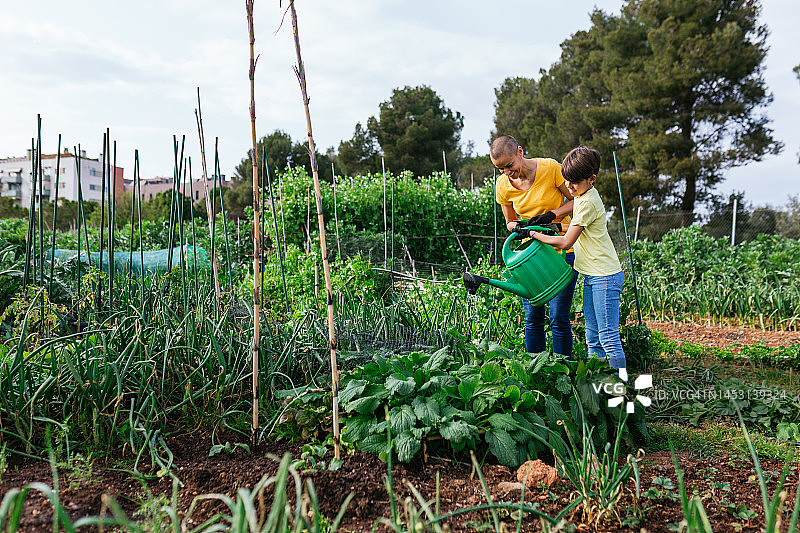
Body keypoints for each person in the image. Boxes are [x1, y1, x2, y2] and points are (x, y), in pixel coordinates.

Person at [523, 145, 626, 370]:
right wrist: (549, 223)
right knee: (593, 337)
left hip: (605, 277)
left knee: (608, 338)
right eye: (566, 180)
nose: (568, 187)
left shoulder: (588, 201)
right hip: (593, 275)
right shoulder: (582, 195)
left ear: (592, 179)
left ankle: (622, 389)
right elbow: (572, 224)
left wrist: (534, 234)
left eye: (574, 182)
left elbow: (566, 241)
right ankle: (601, 383)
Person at [490, 135, 578, 356]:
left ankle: (562, 371)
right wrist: (519, 228)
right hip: (531, 257)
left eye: (509, 166)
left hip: (561, 250)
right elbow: (510, 222)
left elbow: (578, 201)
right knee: (533, 318)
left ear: (520, 152)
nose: (507, 173)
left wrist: (553, 215)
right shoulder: (503, 185)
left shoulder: (550, 168)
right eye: (500, 169)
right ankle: (537, 370)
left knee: (558, 317)